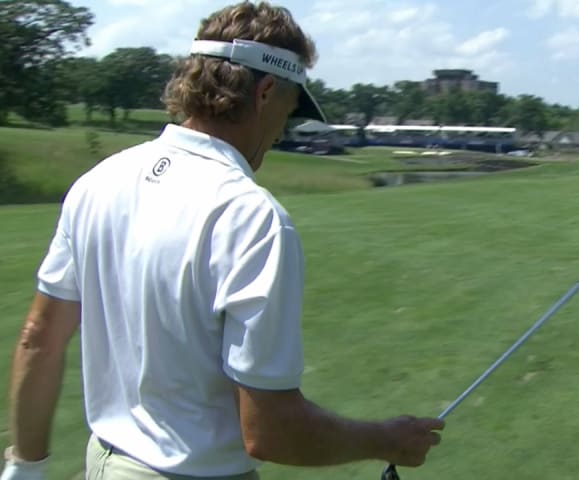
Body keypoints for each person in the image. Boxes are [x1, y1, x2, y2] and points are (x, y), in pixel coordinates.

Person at [0, 2, 444, 480]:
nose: (280, 133)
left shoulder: (98, 182)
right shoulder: (253, 218)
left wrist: (24, 468)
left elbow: (38, 338)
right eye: (288, 112)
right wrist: (384, 438)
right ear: (266, 91)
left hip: (101, 463)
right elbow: (270, 431)